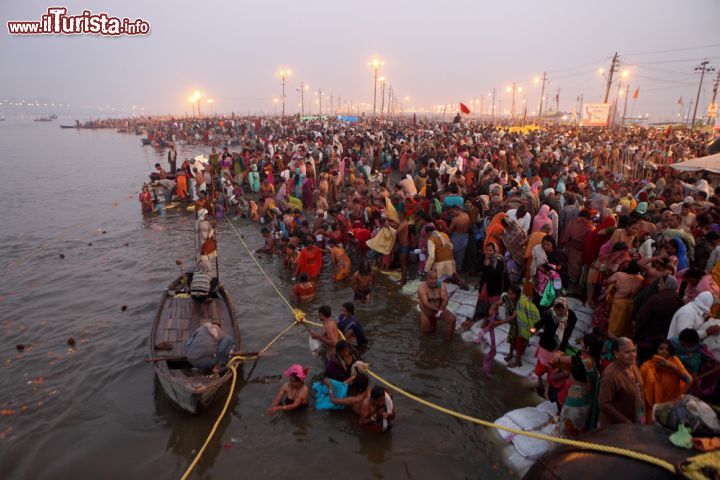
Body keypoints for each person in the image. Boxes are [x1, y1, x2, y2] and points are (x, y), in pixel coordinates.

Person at [554, 333, 603, 437]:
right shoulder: (596, 360)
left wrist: (557, 355)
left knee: (568, 423)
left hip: (576, 399)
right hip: (585, 399)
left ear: (588, 348)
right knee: (577, 423)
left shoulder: (581, 360)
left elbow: (559, 359)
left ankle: (562, 443)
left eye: (583, 343)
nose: (580, 344)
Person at [532, 297, 578, 393]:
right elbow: (540, 323)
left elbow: (567, 335)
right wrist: (534, 329)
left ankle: (548, 389)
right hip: (546, 343)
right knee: (541, 366)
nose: (558, 312)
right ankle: (539, 382)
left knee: (554, 369)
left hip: (558, 346)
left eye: (561, 310)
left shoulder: (571, 317)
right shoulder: (549, 313)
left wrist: (561, 350)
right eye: (556, 309)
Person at [598, 337, 645, 425]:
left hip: (636, 419)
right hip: (616, 428)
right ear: (616, 353)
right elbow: (604, 404)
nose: (632, 355)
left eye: (634, 351)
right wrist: (625, 421)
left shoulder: (632, 364)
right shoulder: (610, 375)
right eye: (627, 352)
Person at [639, 339, 692, 415]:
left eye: (667, 349)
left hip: (670, 405)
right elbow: (640, 388)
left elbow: (688, 380)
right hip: (652, 408)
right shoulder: (646, 366)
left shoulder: (674, 360)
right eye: (661, 349)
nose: (664, 351)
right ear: (655, 349)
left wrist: (671, 366)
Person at [606, 260, 644, 338]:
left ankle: (614, 343)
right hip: (631, 304)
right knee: (625, 328)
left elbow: (608, 281)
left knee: (614, 328)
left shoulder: (619, 275)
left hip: (619, 304)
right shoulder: (641, 279)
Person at [417, 269, 456, 340]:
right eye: (431, 279)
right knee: (428, 333)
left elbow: (445, 298)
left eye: (435, 278)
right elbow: (425, 302)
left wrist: (441, 309)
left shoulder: (441, 285)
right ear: (427, 279)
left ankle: (448, 341)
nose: (433, 281)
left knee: (452, 320)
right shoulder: (422, 288)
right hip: (426, 313)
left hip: (439, 309)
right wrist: (437, 310)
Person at [448, 205, 470, 272]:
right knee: (461, 255)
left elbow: (449, 231)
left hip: (457, 237)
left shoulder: (455, 219)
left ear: (457, 209)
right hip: (465, 236)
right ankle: (458, 270)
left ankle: (453, 272)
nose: (451, 214)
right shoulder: (466, 215)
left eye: (452, 212)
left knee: (453, 255)